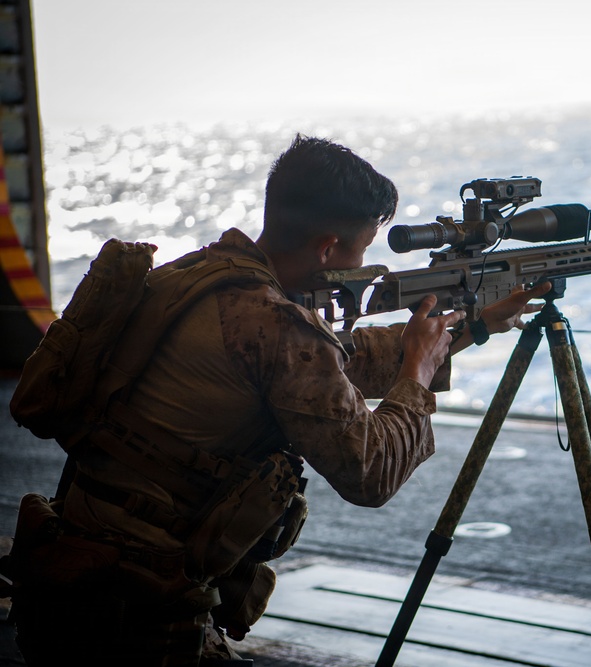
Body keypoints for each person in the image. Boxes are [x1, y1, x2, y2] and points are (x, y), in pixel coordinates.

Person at [7, 134, 550, 666]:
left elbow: (324, 363)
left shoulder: (198, 275)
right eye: (361, 248)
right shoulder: (277, 326)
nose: (363, 261)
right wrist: (416, 372)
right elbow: (370, 472)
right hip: (136, 611)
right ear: (327, 248)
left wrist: (470, 326)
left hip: (71, 572)